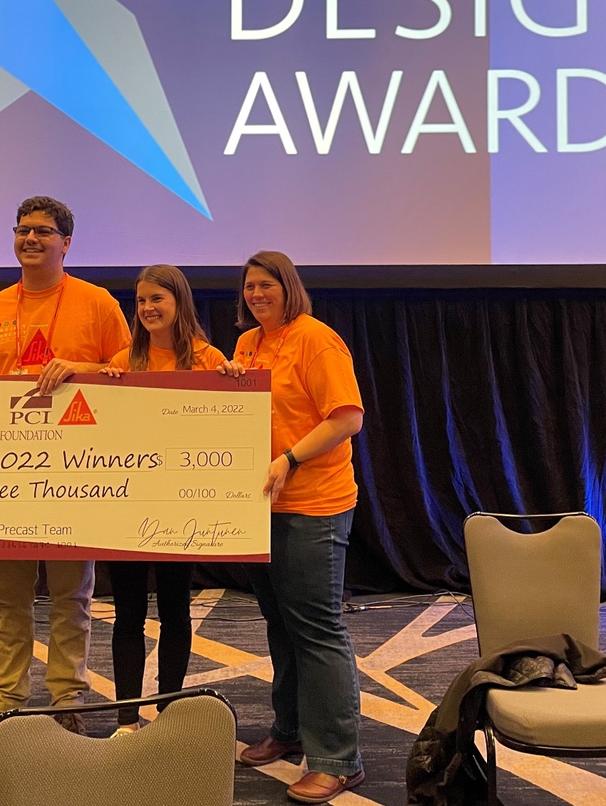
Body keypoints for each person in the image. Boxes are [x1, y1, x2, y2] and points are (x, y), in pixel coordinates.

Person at [0, 196, 130, 756]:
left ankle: (67, 704)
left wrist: (77, 369)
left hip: (72, 478)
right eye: (22, 230)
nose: (31, 239)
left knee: (70, 596)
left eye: (44, 231)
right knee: (5, 598)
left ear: (67, 243)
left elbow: (129, 369)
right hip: (3, 479)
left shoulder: (97, 303)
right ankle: (5, 703)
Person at [221, 251, 366, 804]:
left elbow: (346, 417)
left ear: (290, 288)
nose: (257, 295)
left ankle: (338, 760)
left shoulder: (316, 339)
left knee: (318, 630)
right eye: (250, 287)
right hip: (262, 504)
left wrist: (290, 459)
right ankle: (289, 731)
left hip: (313, 503)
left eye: (268, 285)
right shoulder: (248, 344)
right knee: (281, 625)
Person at [99, 265, 227, 736]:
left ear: (180, 303)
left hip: (182, 509)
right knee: (127, 612)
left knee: (176, 611)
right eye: (141, 301)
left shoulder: (211, 359)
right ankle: (127, 718)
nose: (148, 309)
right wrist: (103, 383)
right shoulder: (122, 359)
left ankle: (170, 710)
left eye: (158, 299)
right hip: (129, 509)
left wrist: (235, 380)